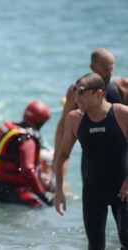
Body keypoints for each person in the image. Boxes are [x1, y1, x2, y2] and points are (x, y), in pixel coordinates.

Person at [54, 73, 128, 249]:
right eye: (75, 92)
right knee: (95, 246)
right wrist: (59, 190)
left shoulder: (121, 114)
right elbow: (63, 155)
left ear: (99, 93)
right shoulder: (74, 119)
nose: (76, 98)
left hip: (123, 188)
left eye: (81, 92)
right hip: (93, 190)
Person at [54, 48, 128, 181]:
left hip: (121, 161)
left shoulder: (123, 86)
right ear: (93, 67)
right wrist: (56, 162)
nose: (109, 73)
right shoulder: (78, 92)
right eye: (105, 69)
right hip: (91, 161)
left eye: (112, 68)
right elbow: (62, 126)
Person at [0, 101, 54, 208]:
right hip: (12, 191)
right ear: (40, 122)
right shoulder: (27, 141)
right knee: (42, 207)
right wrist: (43, 196)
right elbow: (28, 170)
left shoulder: (9, 128)